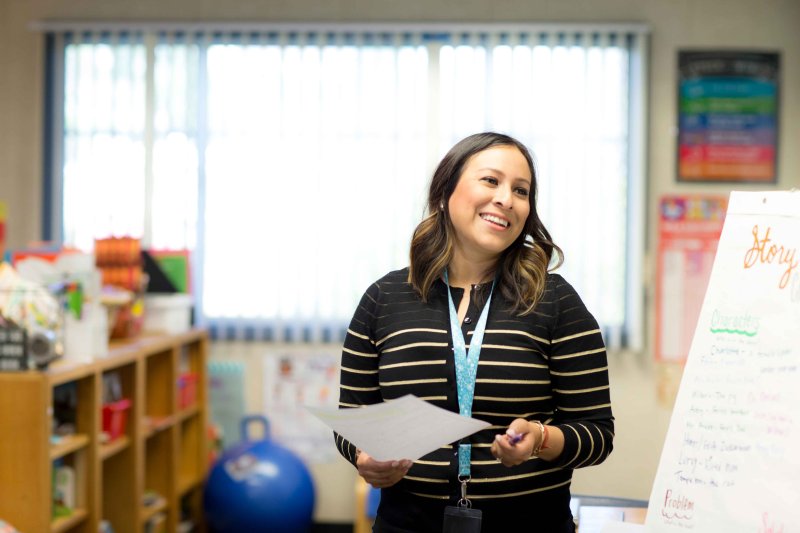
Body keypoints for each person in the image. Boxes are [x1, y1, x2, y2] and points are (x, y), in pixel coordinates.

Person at [335, 132, 614, 532]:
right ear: (445, 192)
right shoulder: (384, 298)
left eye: (521, 190)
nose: (506, 199)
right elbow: (355, 418)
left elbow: (598, 434)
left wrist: (538, 437)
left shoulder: (554, 300)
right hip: (406, 523)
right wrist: (365, 457)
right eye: (491, 180)